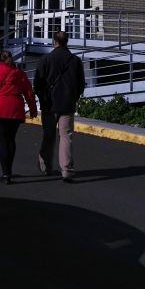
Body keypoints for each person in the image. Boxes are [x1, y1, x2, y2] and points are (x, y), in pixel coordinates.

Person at [33, 31, 86, 182]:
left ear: (54, 41)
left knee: (48, 136)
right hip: (67, 104)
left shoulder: (46, 59)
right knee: (66, 136)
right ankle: (67, 170)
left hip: (49, 105)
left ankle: (46, 166)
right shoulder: (75, 60)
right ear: (66, 41)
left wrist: (43, 99)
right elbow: (81, 84)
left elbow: (37, 83)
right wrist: (73, 98)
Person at [0, 51, 37, 184]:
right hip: (15, 111)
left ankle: (5, 174)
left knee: (3, 142)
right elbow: (29, 93)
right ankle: (9, 170)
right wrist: (33, 109)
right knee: (11, 140)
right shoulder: (19, 74)